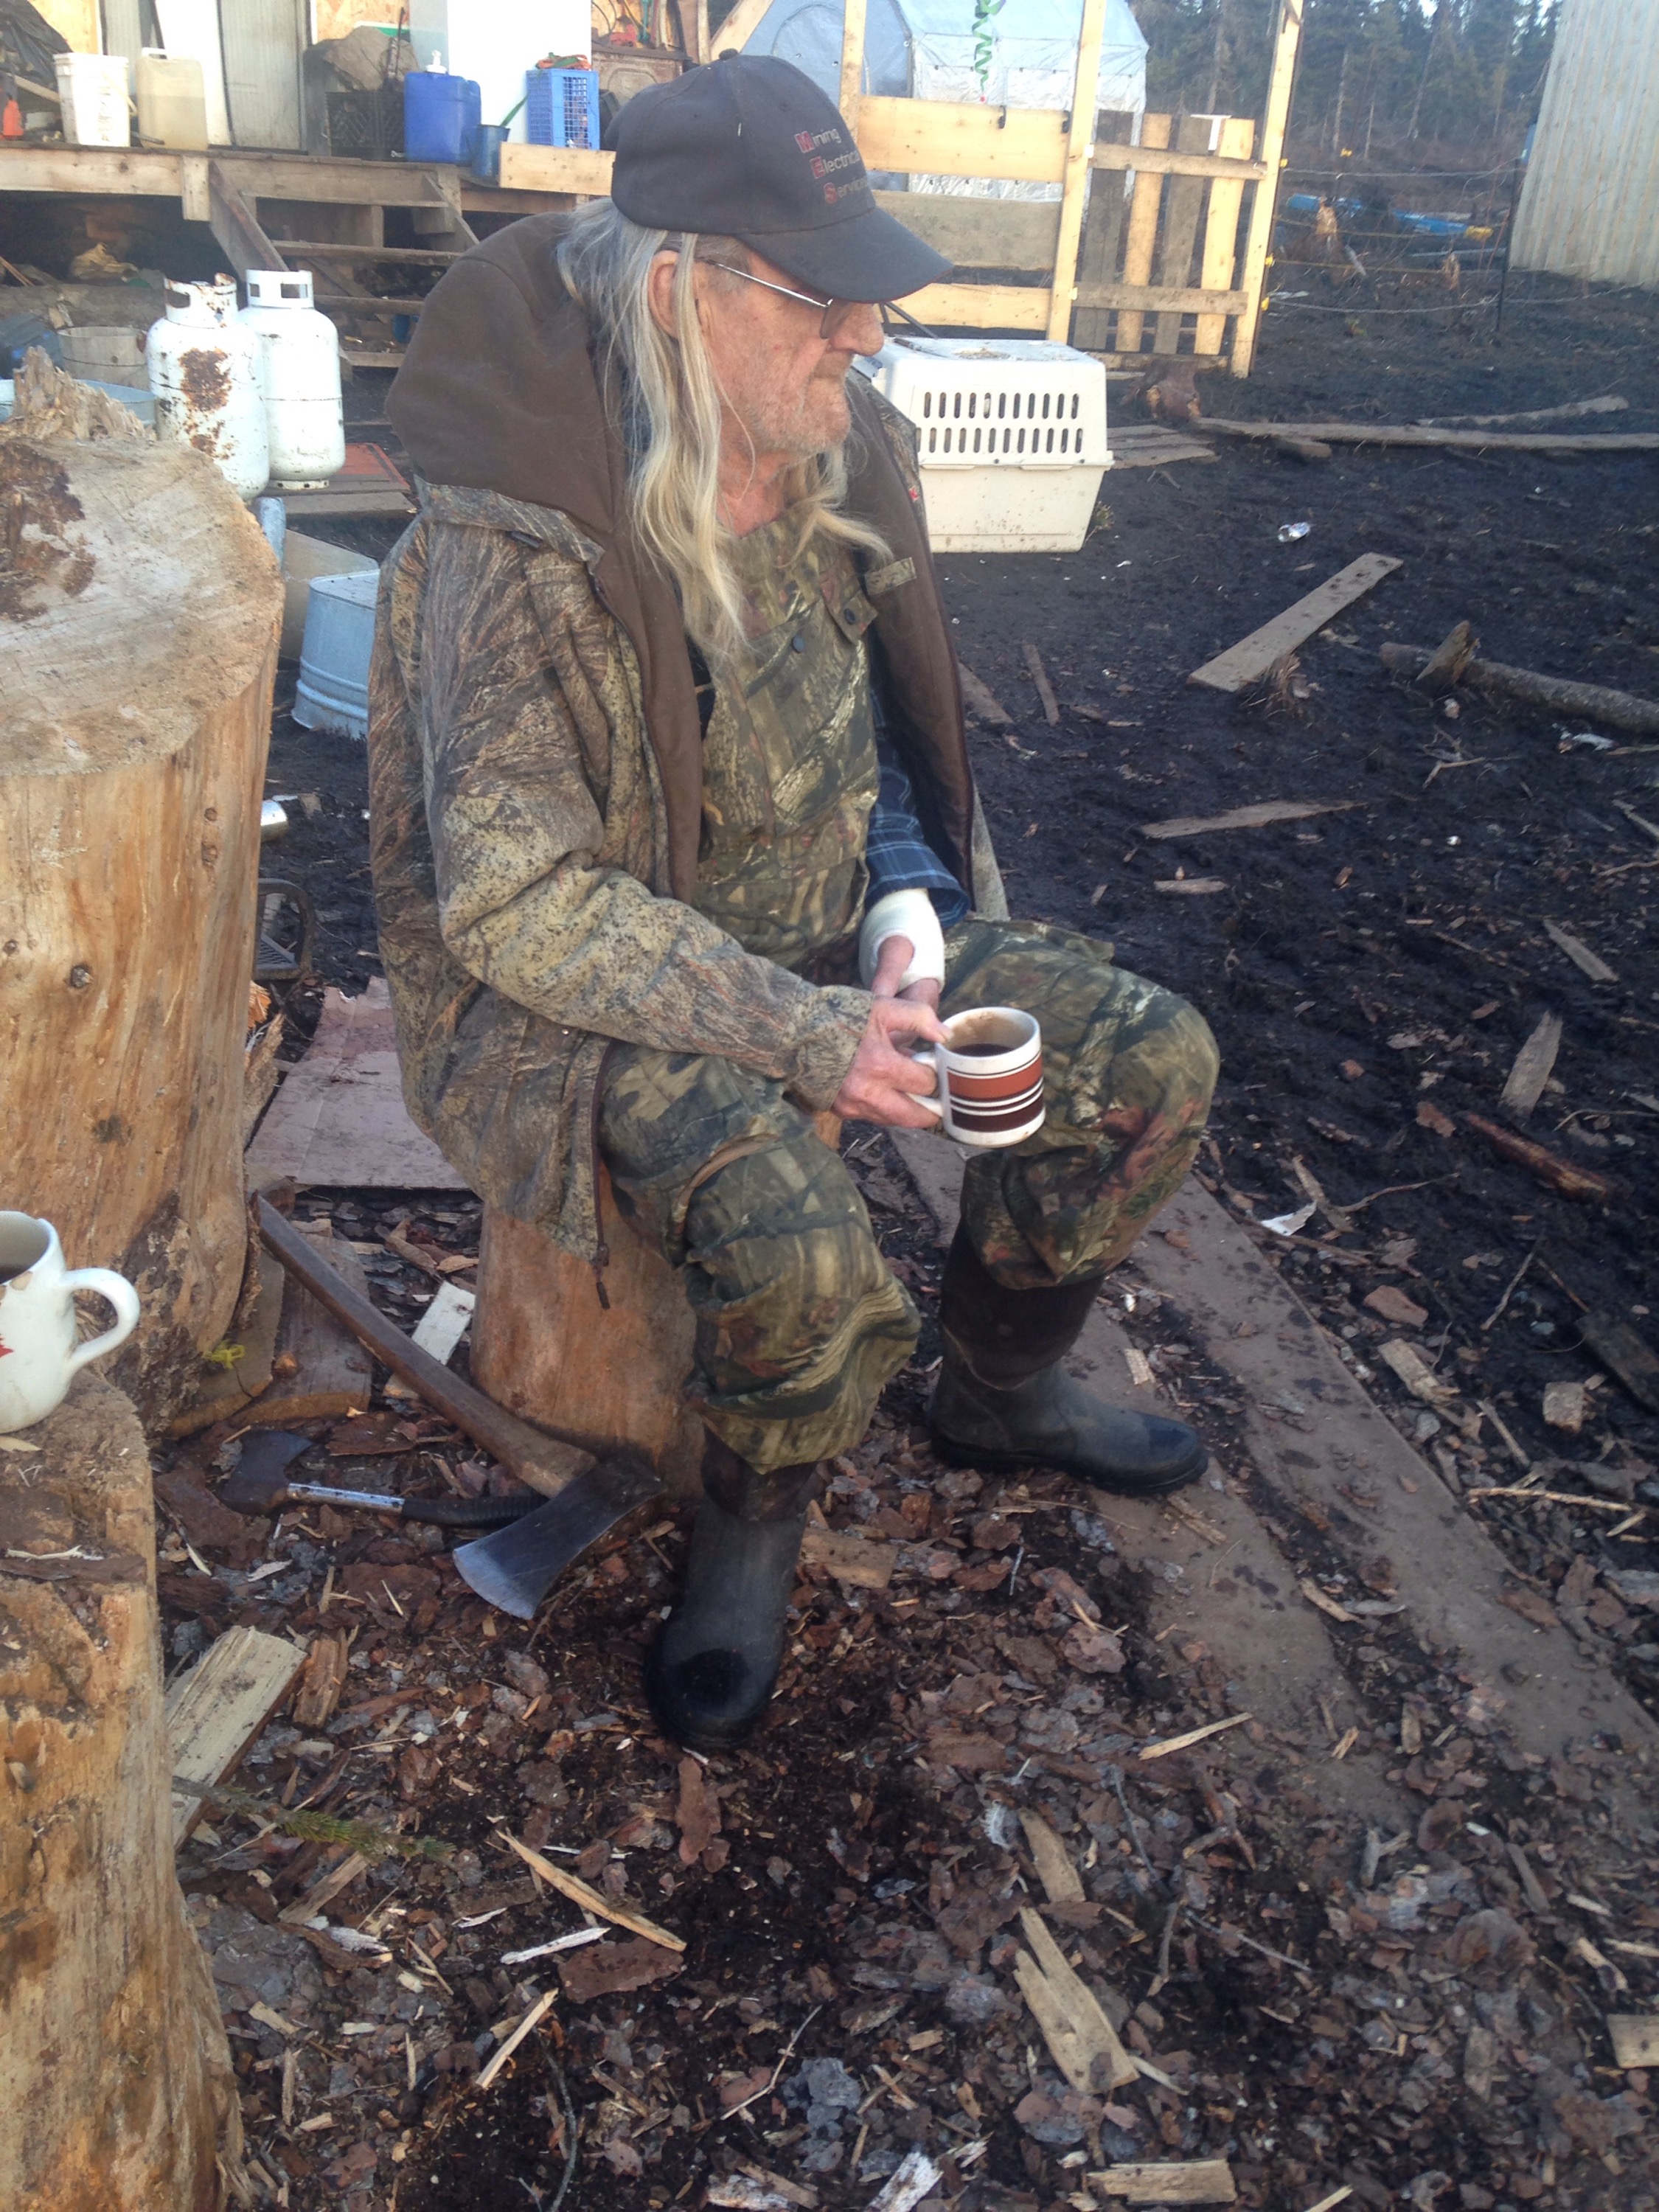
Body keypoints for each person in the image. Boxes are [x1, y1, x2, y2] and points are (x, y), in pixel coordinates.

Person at [369, 54, 1219, 1754]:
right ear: (679, 291)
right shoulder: (525, 535)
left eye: (868, 293)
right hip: (601, 993)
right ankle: (752, 1525)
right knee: (803, 1255)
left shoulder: (832, 449)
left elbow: (877, 735)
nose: (866, 335)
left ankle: (999, 1387)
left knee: (1152, 1062)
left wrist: (904, 906)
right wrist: (806, 1032)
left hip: (827, 939)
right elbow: (519, 904)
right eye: (822, 299)